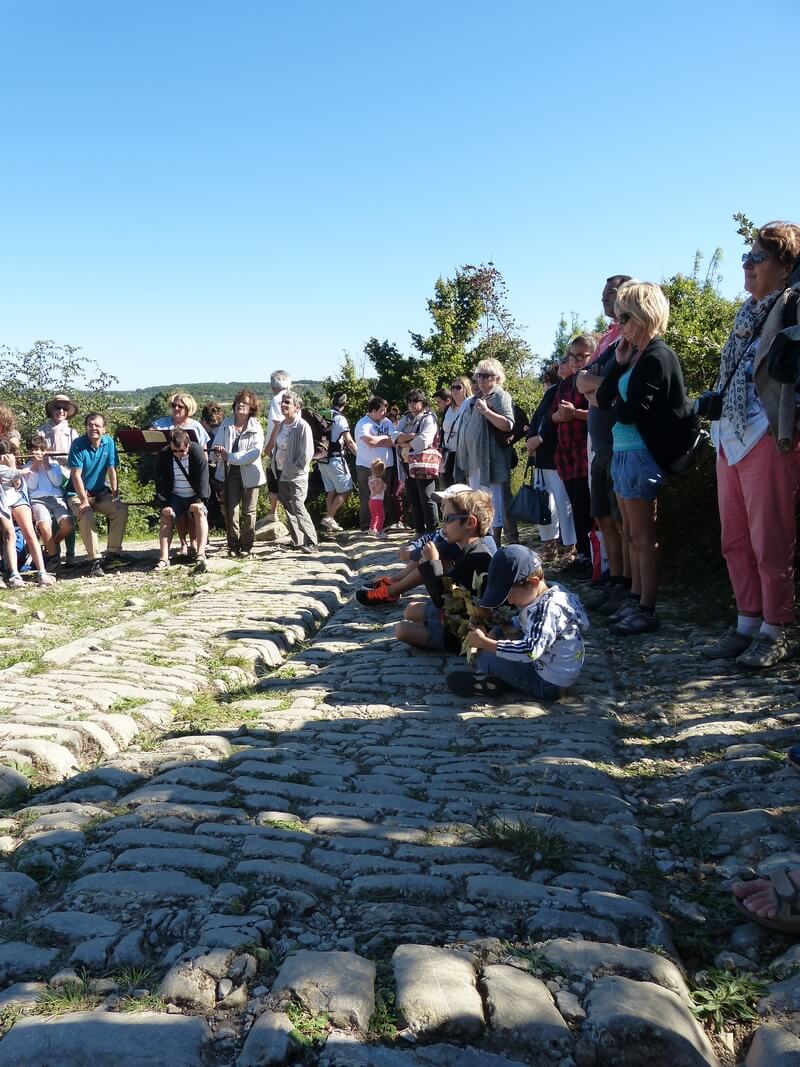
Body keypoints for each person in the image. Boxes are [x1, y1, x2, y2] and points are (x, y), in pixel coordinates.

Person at [700, 221, 800, 670]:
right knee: (735, 540)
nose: (747, 264)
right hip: (730, 434)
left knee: (770, 540)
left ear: (785, 267)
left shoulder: (792, 307)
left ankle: (776, 629)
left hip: (767, 433)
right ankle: (746, 622)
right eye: (746, 256)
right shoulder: (747, 313)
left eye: (757, 258)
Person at [595, 281, 695, 635]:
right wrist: (619, 366)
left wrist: (622, 393)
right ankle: (635, 599)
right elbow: (604, 399)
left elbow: (628, 413)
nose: (619, 324)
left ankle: (647, 608)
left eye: (624, 317)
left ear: (642, 315)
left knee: (641, 534)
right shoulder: (634, 356)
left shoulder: (657, 356)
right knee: (630, 533)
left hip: (640, 454)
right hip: (624, 451)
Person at [446, 544, 588, 700]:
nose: (509, 601)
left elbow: (530, 650)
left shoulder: (546, 611)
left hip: (548, 683)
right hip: (557, 669)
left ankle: (502, 681)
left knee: (485, 658)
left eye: (509, 594)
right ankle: (502, 681)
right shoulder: (557, 592)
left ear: (533, 582)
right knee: (501, 630)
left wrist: (486, 644)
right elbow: (585, 623)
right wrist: (509, 626)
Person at [576, 276, 632, 612]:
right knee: (603, 516)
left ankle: (628, 586)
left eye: (610, 293)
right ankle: (614, 579)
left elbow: (616, 387)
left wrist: (599, 387)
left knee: (622, 517)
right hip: (597, 441)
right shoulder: (606, 340)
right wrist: (595, 385)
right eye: (602, 295)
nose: (604, 300)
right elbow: (584, 381)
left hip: (619, 439)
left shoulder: (631, 337)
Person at [394, 490, 496, 652]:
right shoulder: (468, 548)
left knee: (401, 630)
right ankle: (431, 624)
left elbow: (443, 600)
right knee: (410, 609)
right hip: (458, 613)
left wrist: (432, 562)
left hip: (463, 631)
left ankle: (435, 632)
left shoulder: (477, 557)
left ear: (470, 523)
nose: (444, 525)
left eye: (448, 519)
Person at [355, 483, 472, 606]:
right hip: (450, 587)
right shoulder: (450, 530)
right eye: (442, 507)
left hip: (456, 595)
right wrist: (413, 547)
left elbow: (438, 548)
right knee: (429, 554)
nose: (442, 510)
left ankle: (392, 591)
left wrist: (411, 554)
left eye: (448, 516)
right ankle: (394, 581)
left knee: (436, 558)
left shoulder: (463, 542)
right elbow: (430, 538)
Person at [455, 358, 515, 546]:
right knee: (478, 502)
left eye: (485, 376)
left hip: (490, 460)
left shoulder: (500, 396)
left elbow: (508, 424)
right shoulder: (475, 399)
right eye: (478, 375)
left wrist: (487, 412)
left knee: (491, 503)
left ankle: (494, 542)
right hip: (474, 460)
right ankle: (483, 540)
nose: (480, 379)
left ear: (497, 378)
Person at [527, 360, 577, 563]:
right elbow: (539, 418)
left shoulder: (571, 388)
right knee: (544, 503)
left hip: (559, 454)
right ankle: (549, 545)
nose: (562, 364)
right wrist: (531, 437)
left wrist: (540, 437)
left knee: (564, 502)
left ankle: (571, 547)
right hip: (542, 457)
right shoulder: (552, 392)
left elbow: (555, 420)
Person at [551, 336, 594, 576]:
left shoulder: (594, 378)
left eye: (581, 356)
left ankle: (597, 559)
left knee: (590, 508)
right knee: (576, 507)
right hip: (567, 453)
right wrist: (562, 415)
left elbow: (600, 412)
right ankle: (583, 555)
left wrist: (575, 413)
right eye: (572, 357)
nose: (575, 361)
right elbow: (553, 416)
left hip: (586, 451)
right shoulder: (564, 385)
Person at [67, 413, 129, 578]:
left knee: (120, 509)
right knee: (86, 514)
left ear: (104, 428)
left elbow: (112, 470)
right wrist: (83, 501)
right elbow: (76, 475)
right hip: (77, 493)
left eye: (97, 425)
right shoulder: (78, 444)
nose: (93, 428)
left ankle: (113, 554)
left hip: (100, 492)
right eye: (90, 425)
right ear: (86, 427)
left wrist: (115, 496)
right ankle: (94, 561)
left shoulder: (109, 442)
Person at [212, 389, 266, 558]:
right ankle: (233, 545)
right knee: (230, 510)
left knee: (249, 512)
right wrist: (218, 452)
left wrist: (231, 457)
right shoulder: (226, 424)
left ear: (251, 408)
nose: (241, 406)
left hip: (250, 475)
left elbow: (254, 453)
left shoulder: (256, 426)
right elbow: (215, 448)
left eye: (245, 403)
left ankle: (247, 545)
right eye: (238, 403)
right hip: (228, 474)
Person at [0, 439, 56, 587]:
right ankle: (14, 574)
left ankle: (42, 571)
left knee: (29, 533)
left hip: (17, 498)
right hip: (2, 501)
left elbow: (18, 485)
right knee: (9, 534)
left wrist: (12, 467)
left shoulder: (15, 467)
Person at [154, 428, 210, 573]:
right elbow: (161, 479)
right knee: (166, 515)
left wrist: (200, 500)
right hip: (175, 495)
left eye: (181, 451)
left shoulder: (196, 451)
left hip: (194, 494)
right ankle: (164, 558)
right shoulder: (165, 454)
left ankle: (200, 553)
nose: (178, 454)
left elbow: (204, 477)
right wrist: (165, 503)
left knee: (199, 512)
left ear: (188, 445)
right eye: (175, 451)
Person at [271, 392, 317, 554]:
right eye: (282, 402)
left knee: (298, 506)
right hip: (281, 473)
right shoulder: (282, 424)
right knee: (288, 507)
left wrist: (292, 468)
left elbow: (307, 454)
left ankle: (312, 541)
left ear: (296, 407)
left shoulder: (302, 426)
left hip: (297, 476)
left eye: (287, 403)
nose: (283, 405)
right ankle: (297, 540)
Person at [37, 393, 79, 565]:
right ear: (51, 410)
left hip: (68, 477)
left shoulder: (72, 432)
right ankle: (56, 553)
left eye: (64, 408)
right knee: (54, 516)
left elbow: (76, 457)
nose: (61, 411)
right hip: (47, 478)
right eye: (57, 407)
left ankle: (70, 553)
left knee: (69, 514)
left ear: (68, 411)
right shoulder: (41, 430)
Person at [21, 434, 74, 566]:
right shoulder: (25, 468)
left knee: (68, 525)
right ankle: (54, 557)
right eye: (33, 450)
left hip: (56, 498)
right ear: (28, 452)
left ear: (45, 451)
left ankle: (52, 544)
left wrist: (47, 467)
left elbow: (57, 482)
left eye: (39, 449)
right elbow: (31, 486)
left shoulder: (54, 464)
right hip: (38, 500)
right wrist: (35, 467)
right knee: (45, 527)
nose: (36, 453)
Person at [395, 389, 440, 535]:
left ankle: (432, 531)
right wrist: (412, 435)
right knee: (413, 498)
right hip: (407, 463)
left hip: (423, 464)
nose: (413, 405)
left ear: (422, 402)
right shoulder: (406, 418)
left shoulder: (429, 418)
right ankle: (419, 532)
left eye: (416, 401)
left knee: (427, 498)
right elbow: (394, 436)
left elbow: (425, 440)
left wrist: (406, 442)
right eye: (410, 402)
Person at [354, 397, 397, 532]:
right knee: (368, 496)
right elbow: (369, 440)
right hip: (367, 466)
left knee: (385, 495)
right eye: (382, 410)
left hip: (386, 466)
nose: (385, 413)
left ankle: (382, 525)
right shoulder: (363, 423)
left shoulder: (387, 422)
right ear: (373, 410)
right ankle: (367, 526)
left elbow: (393, 441)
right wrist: (385, 439)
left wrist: (382, 440)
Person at [318, 392, 357, 532]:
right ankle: (329, 517)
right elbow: (349, 441)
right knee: (346, 490)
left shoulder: (322, 414)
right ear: (344, 404)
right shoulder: (340, 419)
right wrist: (359, 455)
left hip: (321, 459)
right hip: (335, 459)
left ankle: (330, 522)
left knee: (331, 490)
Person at [263, 371, 292, 521]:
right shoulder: (292, 398)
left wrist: (269, 446)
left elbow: (277, 423)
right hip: (288, 447)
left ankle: (273, 513)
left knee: (274, 479)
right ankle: (277, 513)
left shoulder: (277, 400)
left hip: (278, 447)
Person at [441, 376, 471, 486]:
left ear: (466, 389)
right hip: (448, 453)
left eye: (458, 387)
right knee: (448, 486)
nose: (454, 390)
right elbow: (443, 430)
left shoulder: (470, 406)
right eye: (452, 387)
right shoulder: (448, 408)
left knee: (462, 486)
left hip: (463, 453)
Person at [367, 459, 387, 537]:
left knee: (374, 515)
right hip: (378, 500)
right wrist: (384, 486)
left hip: (371, 500)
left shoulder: (370, 479)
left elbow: (371, 489)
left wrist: (372, 495)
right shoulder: (379, 481)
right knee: (381, 515)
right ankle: (379, 531)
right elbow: (379, 490)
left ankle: (372, 529)